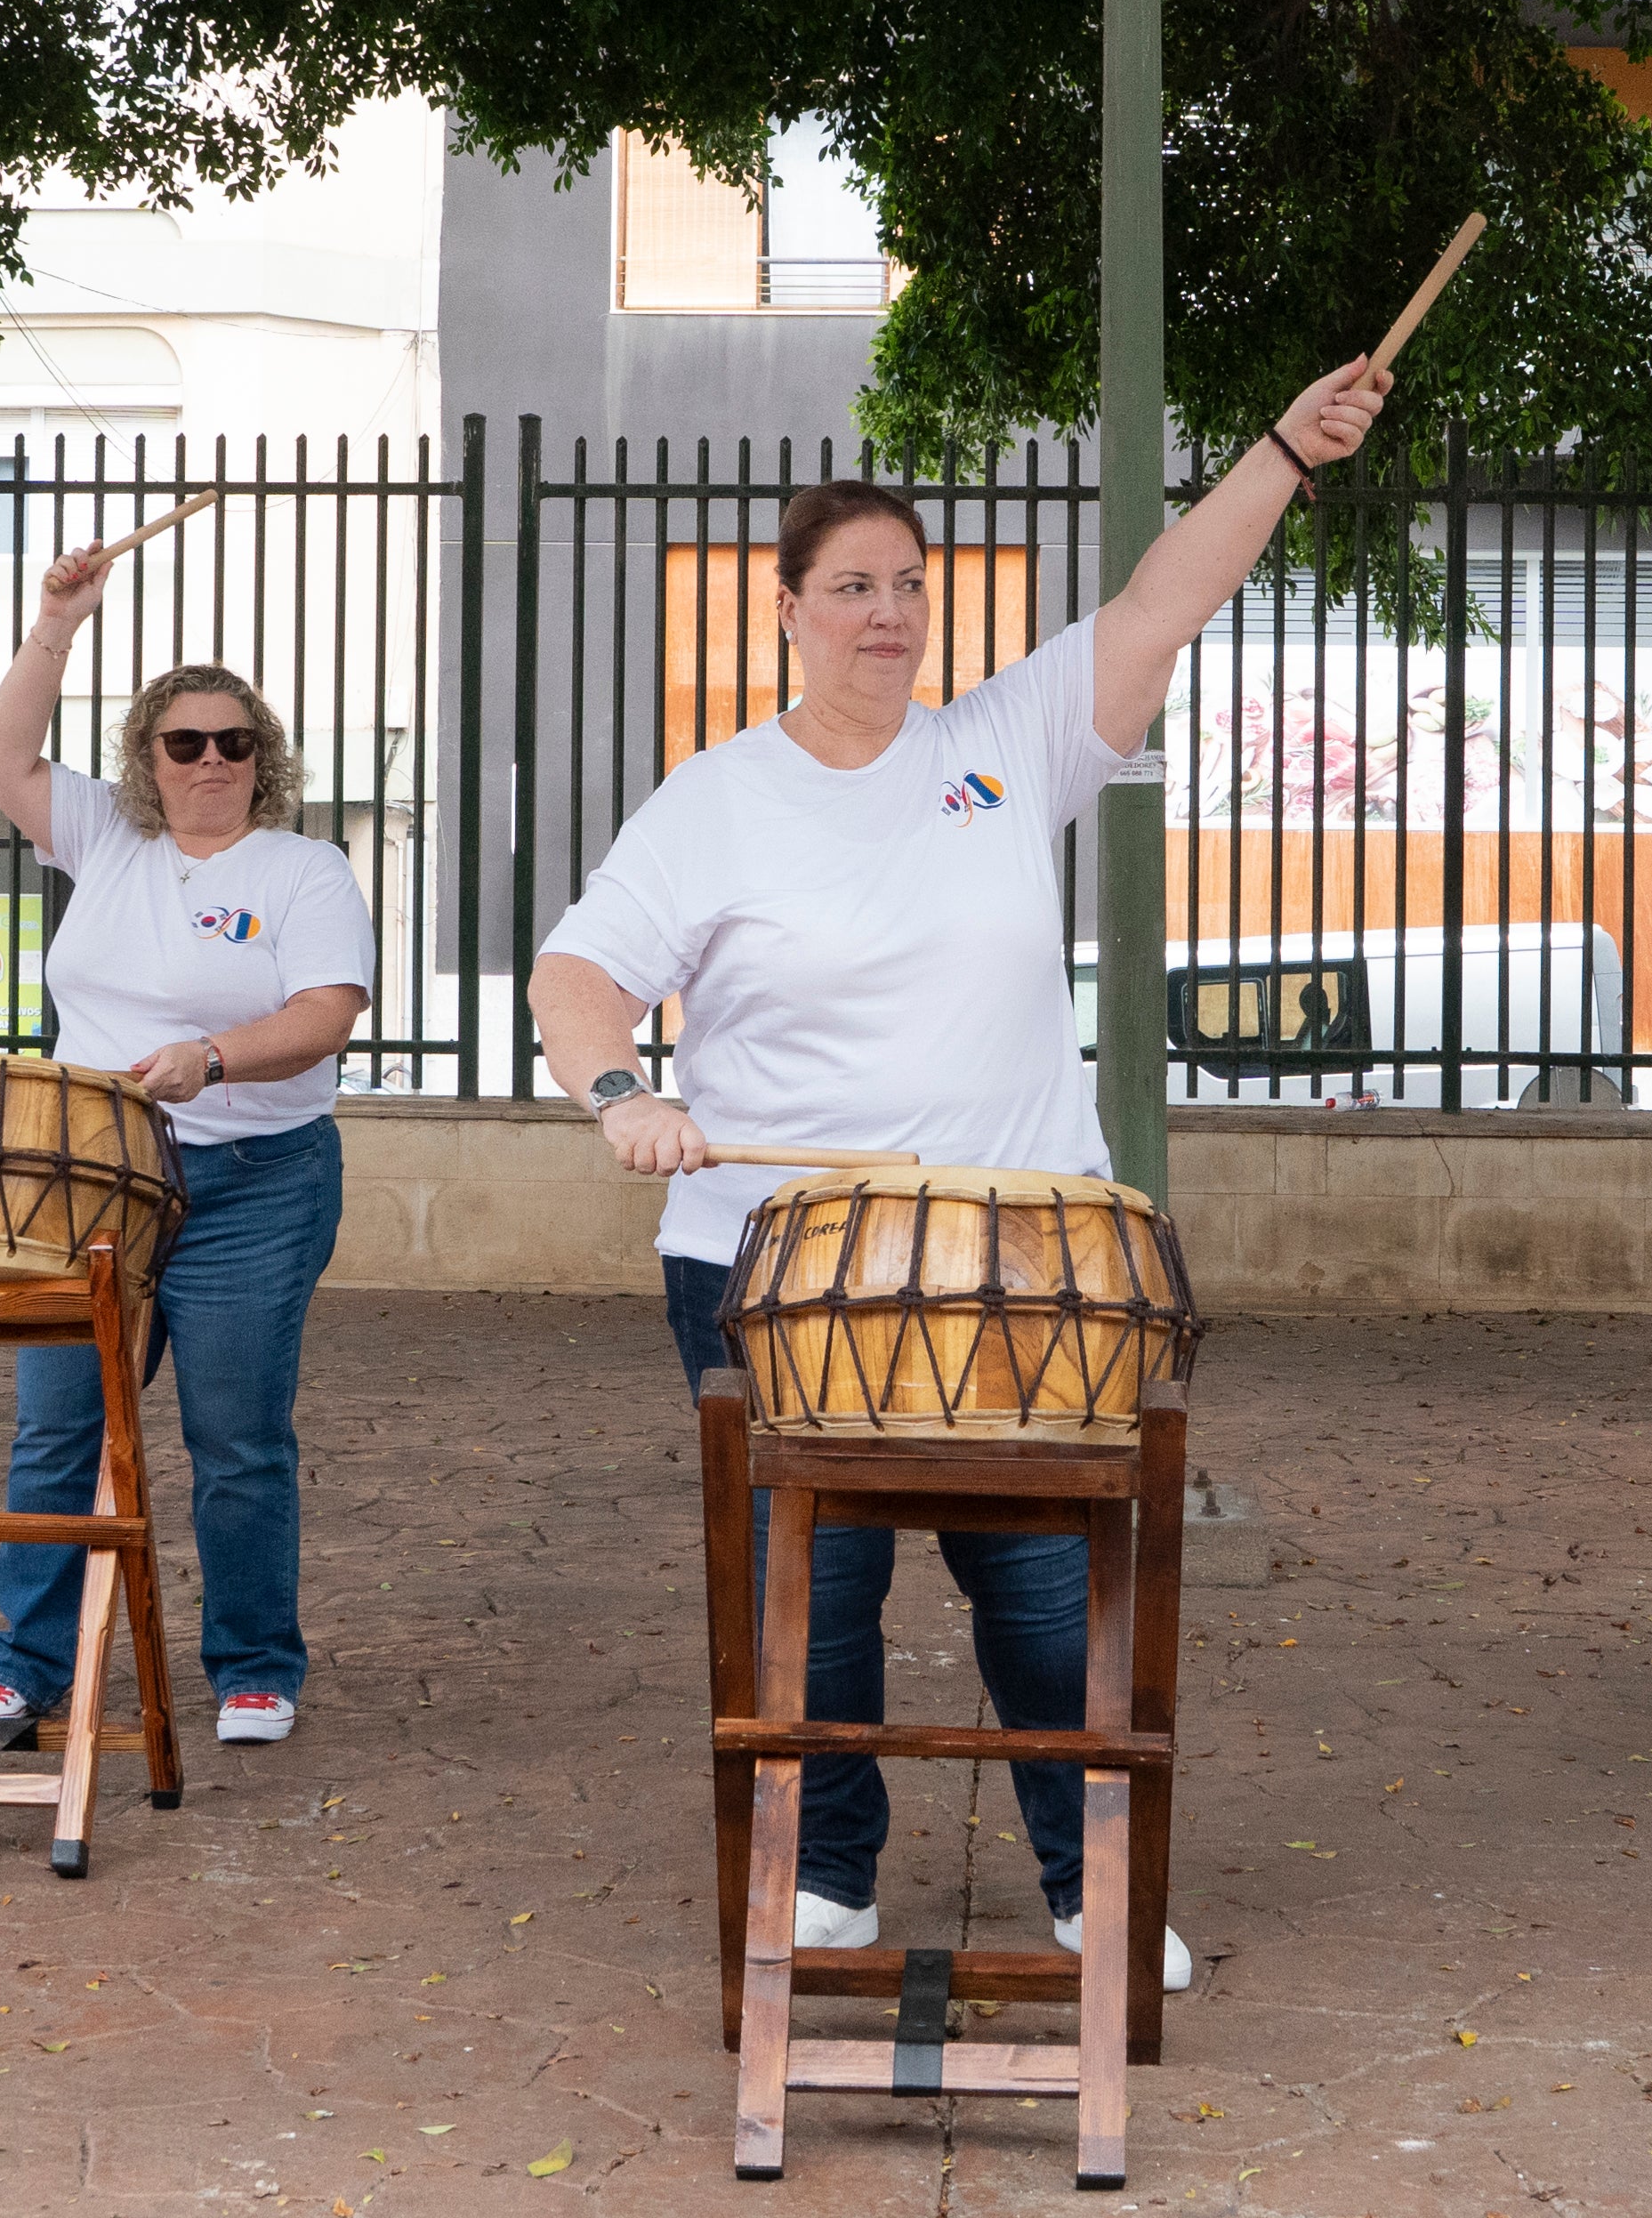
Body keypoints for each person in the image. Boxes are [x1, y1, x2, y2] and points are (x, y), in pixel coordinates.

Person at [528, 359, 1394, 1980]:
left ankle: (1092, 1886)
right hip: (771, 1261)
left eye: (909, 586)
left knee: (1051, 1597)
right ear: (784, 608)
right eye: (851, 586)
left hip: (1019, 1259)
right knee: (820, 1591)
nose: (887, 613)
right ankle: (831, 1872)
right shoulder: (715, 799)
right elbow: (576, 974)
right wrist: (619, 1091)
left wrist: (1281, 447)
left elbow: (1163, 598)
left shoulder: (1005, 744)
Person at [0, 551, 379, 1750]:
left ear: (263, 759)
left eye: (232, 743)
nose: (208, 762)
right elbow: (6, 756)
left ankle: (252, 1664)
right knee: (58, 1425)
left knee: (235, 1435)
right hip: (93, 1178)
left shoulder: (303, 868)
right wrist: (57, 620)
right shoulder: (105, 840)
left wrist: (215, 1056)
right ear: (145, 755)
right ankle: (25, 1660)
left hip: (252, 1185)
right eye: (183, 742)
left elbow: (325, 1013)